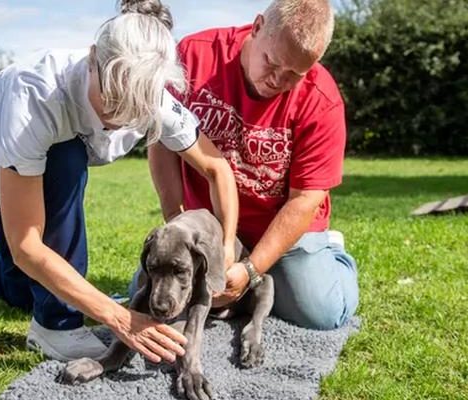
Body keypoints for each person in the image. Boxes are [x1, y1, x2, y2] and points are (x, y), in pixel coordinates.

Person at [0, 0, 239, 362]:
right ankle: (56, 326)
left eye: (135, 107)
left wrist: (223, 253)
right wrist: (117, 316)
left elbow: (216, 168)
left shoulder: (151, 92)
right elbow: (27, 246)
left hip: (30, 155)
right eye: (112, 99)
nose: (118, 117)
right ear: (92, 58)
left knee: (27, 288)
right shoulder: (37, 94)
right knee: (65, 154)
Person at [148, 0, 358, 330]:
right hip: (210, 226)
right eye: (272, 63)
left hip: (277, 224)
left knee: (319, 311)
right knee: (152, 295)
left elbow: (305, 198)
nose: (278, 80)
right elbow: (162, 142)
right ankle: (267, 281)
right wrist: (176, 223)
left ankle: (331, 256)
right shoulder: (193, 57)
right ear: (257, 27)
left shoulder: (322, 99)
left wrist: (250, 269)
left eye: (294, 75)